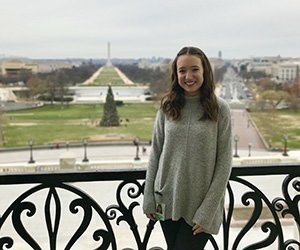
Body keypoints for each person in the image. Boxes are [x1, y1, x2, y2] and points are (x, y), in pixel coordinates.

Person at [143, 46, 232, 250]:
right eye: (182, 70)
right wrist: (149, 196)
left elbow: (224, 162)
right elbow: (156, 152)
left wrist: (208, 210)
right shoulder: (167, 106)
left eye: (194, 69)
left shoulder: (220, 109)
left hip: (200, 206)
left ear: (204, 72)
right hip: (167, 199)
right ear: (176, 74)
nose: (188, 76)